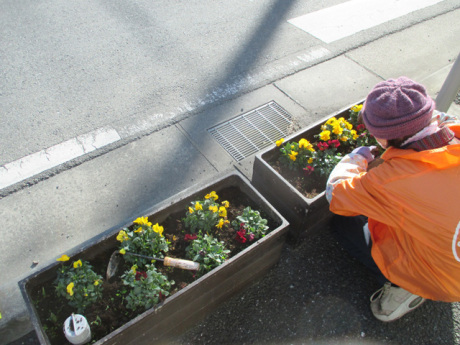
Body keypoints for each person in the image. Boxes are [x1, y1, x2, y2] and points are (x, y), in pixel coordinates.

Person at [325, 76, 460, 322]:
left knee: (344, 224)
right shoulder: (455, 130)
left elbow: (336, 193)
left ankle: (404, 288)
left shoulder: (392, 181)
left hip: (446, 281)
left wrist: (358, 157)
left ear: (385, 138)